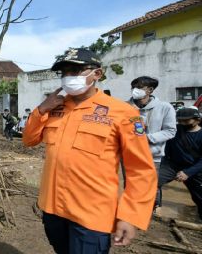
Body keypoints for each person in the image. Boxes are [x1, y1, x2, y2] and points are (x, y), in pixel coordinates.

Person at [22, 48, 157, 254]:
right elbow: (29, 140)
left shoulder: (123, 113)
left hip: (92, 214)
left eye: (76, 71)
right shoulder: (55, 107)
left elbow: (141, 170)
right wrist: (41, 109)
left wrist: (130, 216)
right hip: (52, 207)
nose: (69, 77)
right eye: (65, 72)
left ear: (97, 74)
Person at [128, 76, 176, 207]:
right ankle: (131, 210)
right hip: (129, 155)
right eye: (133, 87)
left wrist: (147, 138)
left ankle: (152, 210)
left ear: (150, 90)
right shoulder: (125, 107)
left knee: (151, 186)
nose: (134, 90)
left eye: (138, 87)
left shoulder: (165, 107)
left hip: (152, 156)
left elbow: (170, 131)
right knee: (130, 184)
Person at [157, 107, 202, 221]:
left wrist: (188, 172)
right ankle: (155, 207)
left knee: (199, 197)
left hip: (194, 169)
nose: (182, 123)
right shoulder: (175, 130)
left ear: (197, 120)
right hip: (173, 165)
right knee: (153, 180)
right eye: (180, 121)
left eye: (186, 121)